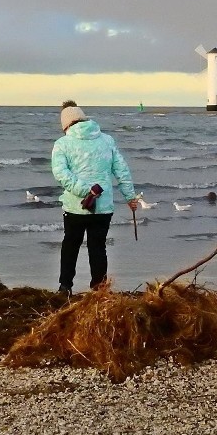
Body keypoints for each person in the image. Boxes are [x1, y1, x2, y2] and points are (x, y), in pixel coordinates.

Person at [51, 100, 137, 294]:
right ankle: (99, 289)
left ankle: (65, 287)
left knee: (70, 245)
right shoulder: (106, 140)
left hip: (75, 206)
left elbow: (61, 174)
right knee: (98, 247)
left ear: (65, 124)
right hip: (103, 207)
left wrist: (85, 191)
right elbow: (122, 170)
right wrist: (130, 197)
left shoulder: (62, 144)